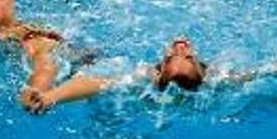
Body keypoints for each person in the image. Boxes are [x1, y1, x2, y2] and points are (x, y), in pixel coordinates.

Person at [19, 36, 210, 113]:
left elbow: (92, 83)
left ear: (159, 71)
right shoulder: (218, 77)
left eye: (170, 58)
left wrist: (50, 97)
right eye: (186, 57)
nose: (180, 47)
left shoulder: (142, 77)